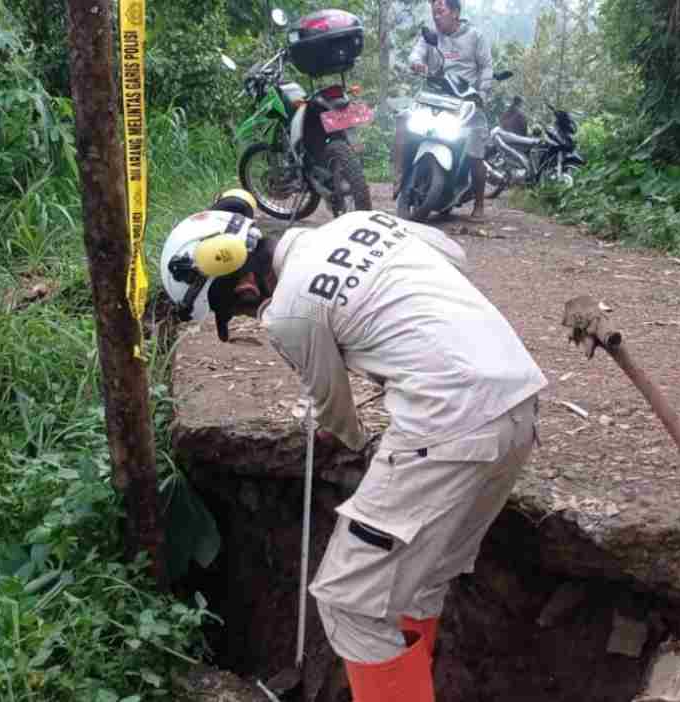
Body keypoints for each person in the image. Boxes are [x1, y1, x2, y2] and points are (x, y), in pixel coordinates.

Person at [161, 191, 547, 701]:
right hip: (518, 404)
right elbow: (453, 256)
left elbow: (339, 418)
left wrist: (347, 438)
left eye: (235, 310)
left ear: (247, 285)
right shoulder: (359, 223)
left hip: (450, 424)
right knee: (423, 580)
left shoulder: (289, 313)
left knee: (350, 605)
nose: (249, 317)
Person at [393, 0, 493, 222]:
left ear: (455, 12)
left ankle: (479, 203)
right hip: (434, 97)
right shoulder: (431, 36)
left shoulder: (475, 36)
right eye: (433, 12)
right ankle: (399, 176)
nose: (436, 16)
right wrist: (417, 63)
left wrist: (482, 93)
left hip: (467, 101)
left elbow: (486, 67)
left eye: (441, 11)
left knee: (477, 150)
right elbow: (415, 55)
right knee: (403, 120)